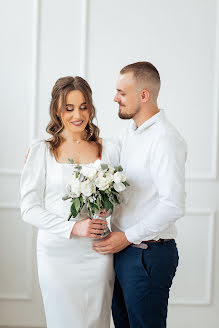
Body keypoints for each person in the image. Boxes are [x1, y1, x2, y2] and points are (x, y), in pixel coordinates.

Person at [93, 62, 187, 328]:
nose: (115, 98)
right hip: (123, 251)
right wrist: (44, 149)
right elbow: (102, 157)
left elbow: (173, 205)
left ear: (143, 95)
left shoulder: (166, 140)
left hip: (148, 254)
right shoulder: (129, 134)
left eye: (122, 92)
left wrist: (126, 238)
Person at [20, 76, 119, 328]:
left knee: (95, 320)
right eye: (69, 108)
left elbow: (123, 198)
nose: (78, 114)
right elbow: (29, 209)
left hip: (97, 252)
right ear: (57, 110)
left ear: (91, 108)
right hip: (56, 254)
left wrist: (109, 208)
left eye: (84, 106)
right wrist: (73, 228)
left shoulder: (108, 148)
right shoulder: (41, 151)